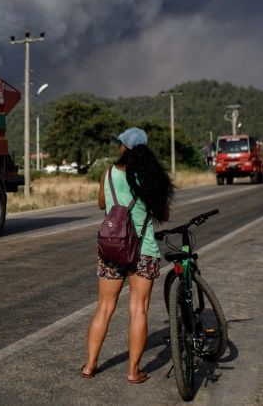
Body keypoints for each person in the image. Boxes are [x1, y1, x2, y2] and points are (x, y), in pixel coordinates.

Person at [81, 127, 175, 383]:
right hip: (143, 250)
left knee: (104, 308)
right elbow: (163, 215)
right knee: (138, 311)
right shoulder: (151, 177)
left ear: (123, 148)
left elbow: (102, 204)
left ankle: (90, 365)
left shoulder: (108, 173)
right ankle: (133, 371)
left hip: (112, 248)